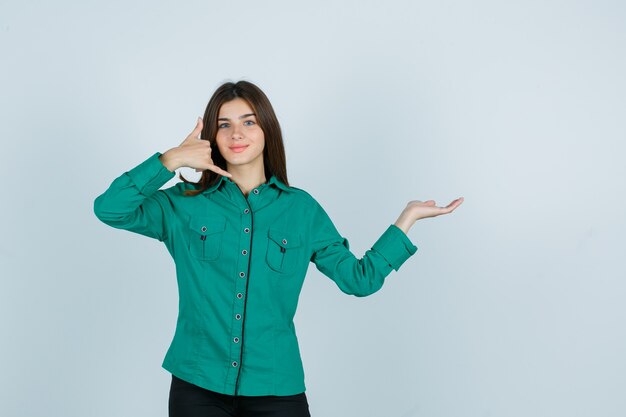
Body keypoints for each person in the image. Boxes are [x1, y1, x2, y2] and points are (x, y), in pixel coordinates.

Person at [93, 80, 464, 417]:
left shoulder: (301, 211)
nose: (237, 133)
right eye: (224, 124)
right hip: (197, 386)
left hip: (276, 390)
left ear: (267, 130)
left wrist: (407, 218)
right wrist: (170, 161)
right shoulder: (183, 204)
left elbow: (359, 279)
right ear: (212, 136)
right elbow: (109, 209)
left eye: (249, 122)